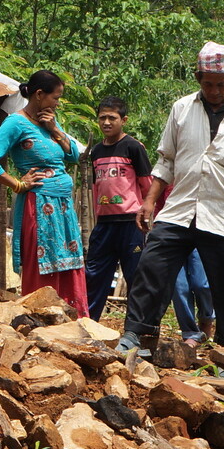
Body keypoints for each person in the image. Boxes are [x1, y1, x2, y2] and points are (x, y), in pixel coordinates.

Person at [118, 42, 224, 354]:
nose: (214, 91)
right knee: (152, 266)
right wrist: (149, 201)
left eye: (220, 84)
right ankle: (136, 334)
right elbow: (166, 161)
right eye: (207, 84)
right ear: (197, 78)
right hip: (181, 208)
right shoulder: (182, 109)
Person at [0, 71, 85, 310]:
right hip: (39, 204)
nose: (57, 103)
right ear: (39, 94)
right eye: (55, 98)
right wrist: (17, 184)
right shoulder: (16, 123)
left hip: (64, 207)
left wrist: (55, 129)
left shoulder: (50, 123)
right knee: (42, 260)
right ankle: (41, 315)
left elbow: (74, 156)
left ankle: (73, 316)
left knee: (69, 261)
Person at [84, 96, 152, 319]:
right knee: (94, 274)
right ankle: (88, 322)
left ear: (124, 120)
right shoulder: (95, 152)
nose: (106, 122)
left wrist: (148, 216)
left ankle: (135, 328)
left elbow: (146, 184)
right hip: (104, 224)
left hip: (130, 223)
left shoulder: (133, 147)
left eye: (112, 118)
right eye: (102, 117)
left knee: (135, 275)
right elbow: (96, 187)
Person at [174, 250, 214, 348]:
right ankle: (190, 333)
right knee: (179, 286)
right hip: (174, 237)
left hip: (202, 237)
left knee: (202, 285)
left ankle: (206, 318)